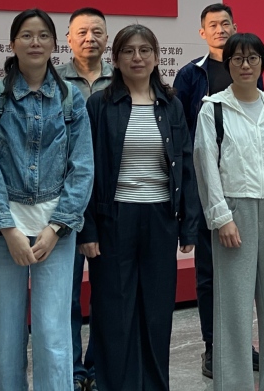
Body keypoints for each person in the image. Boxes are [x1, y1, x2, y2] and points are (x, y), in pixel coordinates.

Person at [0, 8, 93, 391]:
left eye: (42, 35)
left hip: (55, 233)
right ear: (13, 43)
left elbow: (82, 168)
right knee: (5, 339)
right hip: (0, 235)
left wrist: (56, 228)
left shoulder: (70, 98)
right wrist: (8, 229)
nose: (34, 42)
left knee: (53, 336)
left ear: (54, 44)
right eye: (26, 35)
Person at [79, 24, 200, 390]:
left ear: (156, 57)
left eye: (145, 50)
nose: (137, 57)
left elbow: (185, 163)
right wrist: (88, 229)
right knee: (114, 312)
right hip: (114, 218)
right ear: (115, 59)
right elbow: (86, 168)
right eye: (128, 51)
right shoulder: (100, 104)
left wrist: (188, 226)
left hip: (160, 217)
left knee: (157, 312)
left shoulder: (171, 104)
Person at [194, 32, 264, 391]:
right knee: (233, 307)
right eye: (238, 58)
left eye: (253, 58)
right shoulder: (213, 108)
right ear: (228, 64)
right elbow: (206, 166)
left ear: (262, 63)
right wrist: (221, 217)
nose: (246, 65)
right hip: (235, 212)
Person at [173, 2, 262, 377]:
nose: (220, 29)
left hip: (246, 183)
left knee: (246, 270)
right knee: (209, 272)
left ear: (235, 27)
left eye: (226, 23)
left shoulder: (249, 70)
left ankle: (242, 344)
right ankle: (214, 347)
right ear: (202, 33)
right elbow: (180, 132)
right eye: (213, 25)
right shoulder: (190, 75)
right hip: (205, 183)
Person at [57, 7, 114, 391]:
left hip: (111, 199)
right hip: (65, 198)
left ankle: (98, 365)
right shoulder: (55, 81)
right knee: (68, 294)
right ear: (68, 38)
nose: (89, 38)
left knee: (107, 291)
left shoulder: (121, 79)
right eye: (82, 32)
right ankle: (73, 370)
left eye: (97, 31)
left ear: (107, 38)